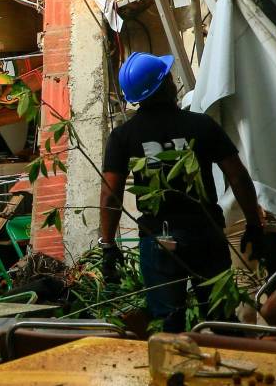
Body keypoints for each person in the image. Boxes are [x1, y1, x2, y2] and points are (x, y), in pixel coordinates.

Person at [99, 52, 265, 333]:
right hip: (206, 235)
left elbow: (110, 195)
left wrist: (108, 246)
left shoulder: (123, 137)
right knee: (221, 319)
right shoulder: (201, 125)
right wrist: (254, 224)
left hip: (158, 240)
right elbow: (237, 176)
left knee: (168, 326)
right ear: (166, 86)